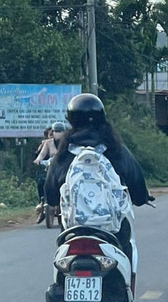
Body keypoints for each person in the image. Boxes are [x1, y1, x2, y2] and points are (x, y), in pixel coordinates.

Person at [45, 94, 152, 250]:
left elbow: (51, 196)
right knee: (126, 247)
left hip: (73, 230)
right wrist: (142, 198)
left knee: (62, 255)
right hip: (112, 230)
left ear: (70, 120)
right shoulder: (116, 150)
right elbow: (136, 182)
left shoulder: (63, 154)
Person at [33, 122, 66, 223]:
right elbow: (42, 154)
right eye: (55, 131)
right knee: (41, 182)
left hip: (63, 170)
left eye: (60, 131)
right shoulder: (48, 143)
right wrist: (38, 160)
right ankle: (42, 202)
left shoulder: (67, 143)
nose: (57, 133)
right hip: (51, 170)